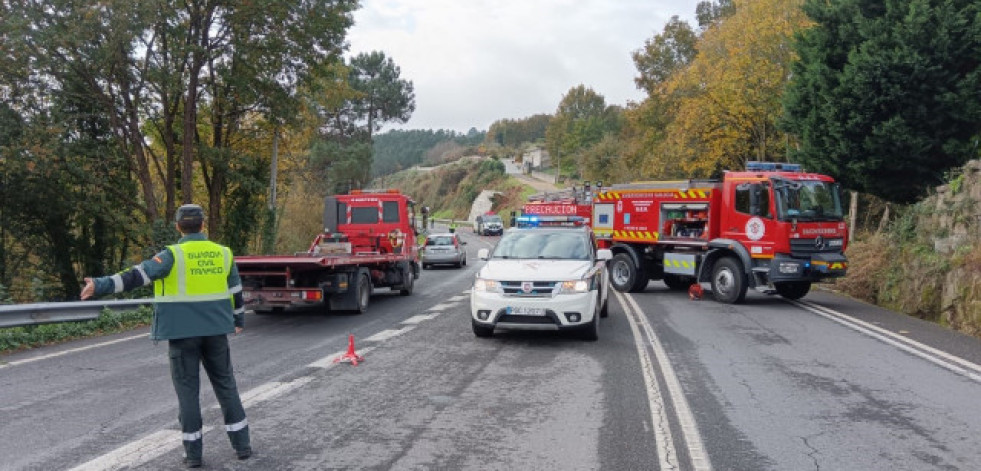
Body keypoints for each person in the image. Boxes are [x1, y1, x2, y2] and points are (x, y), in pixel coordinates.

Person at [81, 204, 251, 469]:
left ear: (178, 227)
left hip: (182, 336)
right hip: (216, 332)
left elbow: (137, 276)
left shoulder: (172, 255)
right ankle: (242, 446)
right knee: (226, 387)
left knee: (188, 393)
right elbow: (236, 291)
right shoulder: (223, 253)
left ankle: (194, 455)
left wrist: (99, 284)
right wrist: (238, 319)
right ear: (203, 225)